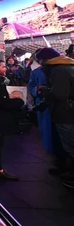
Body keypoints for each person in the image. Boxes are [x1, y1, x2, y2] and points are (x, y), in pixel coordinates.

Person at [41, 48, 74, 188]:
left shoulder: (59, 70)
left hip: (66, 113)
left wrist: (45, 91)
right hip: (68, 111)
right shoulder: (68, 66)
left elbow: (59, 94)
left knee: (70, 145)